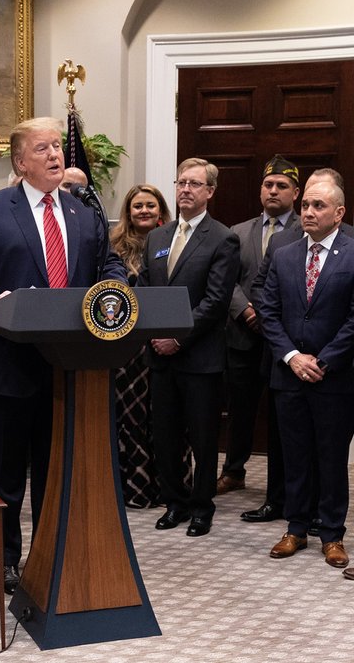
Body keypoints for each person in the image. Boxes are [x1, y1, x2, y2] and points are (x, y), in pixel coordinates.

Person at [0, 117, 126, 593]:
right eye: (43, 148)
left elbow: (107, 265)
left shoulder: (83, 214)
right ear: (20, 161)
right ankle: (7, 561)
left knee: (56, 474)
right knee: (7, 479)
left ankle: (50, 556)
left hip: (67, 368)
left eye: (58, 147)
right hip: (7, 366)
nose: (55, 155)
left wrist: (118, 290)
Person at [142, 158, 240, 538]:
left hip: (200, 358)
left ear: (210, 192)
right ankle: (175, 502)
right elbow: (149, 291)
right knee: (164, 436)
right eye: (181, 182)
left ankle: (202, 507)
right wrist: (152, 333)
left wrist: (177, 338)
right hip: (160, 357)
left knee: (202, 439)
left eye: (194, 184)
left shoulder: (222, 238)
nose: (185, 189)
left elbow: (215, 302)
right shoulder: (158, 237)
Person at [260, 179, 354, 572]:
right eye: (306, 206)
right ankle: (295, 528)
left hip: (335, 377)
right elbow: (268, 309)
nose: (309, 212)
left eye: (318, 206)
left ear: (339, 213)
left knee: (331, 458)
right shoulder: (283, 253)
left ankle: (332, 534)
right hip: (290, 374)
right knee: (293, 456)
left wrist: (324, 360)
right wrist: (293, 356)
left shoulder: (353, 253)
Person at [218, 157, 300, 502]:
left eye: (282, 186)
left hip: (285, 340)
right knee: (240, 409)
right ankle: (234, 471)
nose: (273, 191)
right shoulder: (238, 231)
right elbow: (227, 281)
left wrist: (270, 319)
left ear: (295, 192)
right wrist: (247, 311)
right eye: (269, 185)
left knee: (284, 413)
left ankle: (282, 483)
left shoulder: (306, 229)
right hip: (243, 336)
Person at [109, 183, 181, 508]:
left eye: (150, 205)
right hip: (126, 348)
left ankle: (170, 489)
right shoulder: (114, 248)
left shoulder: (174, 242)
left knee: (165, 417)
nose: (144, 211)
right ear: (128, 211)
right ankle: (136, 489)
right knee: (132, 417)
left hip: (164, 342)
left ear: (160, 210)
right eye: (137, 206)